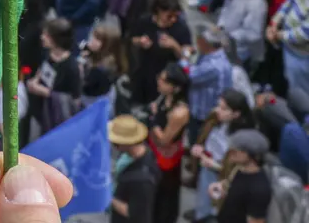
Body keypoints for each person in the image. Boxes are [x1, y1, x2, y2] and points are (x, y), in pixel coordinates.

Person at [190, 89, 255, 223]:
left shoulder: (242, 139)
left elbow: (238, 170)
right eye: (219, 105)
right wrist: (200, 147)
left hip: (222, 176)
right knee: (202, 206)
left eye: (223, 108)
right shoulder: (215, 117)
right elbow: (205, 134)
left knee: (214, 211)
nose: (218, 110)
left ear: (236, 114)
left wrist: (214, 164)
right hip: (206, 165)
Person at [148, 64, 191, 223]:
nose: (159, 82)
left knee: (163, 199)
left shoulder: (180, 112)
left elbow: (164, 140)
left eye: (164, 80)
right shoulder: (163, 98)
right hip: (154, 153)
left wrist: (152, 121)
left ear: (175, 88)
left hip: (166, 160)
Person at [213, 130, 273, 223]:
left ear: (251, 154)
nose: (231, 152)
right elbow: (230, 187)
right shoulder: (239, 169)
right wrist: (219, 188)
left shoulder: (259, 189)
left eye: (236, 150)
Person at [108, 115, 159, 223]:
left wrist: (107, 196)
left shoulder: (141, 180)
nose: (113, 145)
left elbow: (135, 213)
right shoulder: (145, 152)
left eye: (116, 143)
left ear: (126, 143)